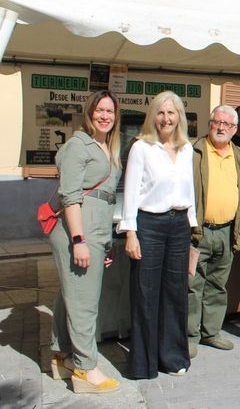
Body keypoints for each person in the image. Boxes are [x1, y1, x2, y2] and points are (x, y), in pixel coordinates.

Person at [49, 90, 122, 394]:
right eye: (99, 110)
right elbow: (70, 196)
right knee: (84, 302)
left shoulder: (105, 146)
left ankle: (62, 356)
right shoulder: (78, 145)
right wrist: (79, 240)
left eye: (110, 111)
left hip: (97, 228)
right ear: (89, 112)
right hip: (79, 227)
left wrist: (103, 242)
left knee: (72, 292)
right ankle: (85, 367)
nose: (105, 115)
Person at [122, 90, 197, 378]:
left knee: (175, 293)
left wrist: (191, 226)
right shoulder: (141, 148)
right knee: (145, 293)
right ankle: (144, 364)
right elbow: (131, 192)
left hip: (179, 226)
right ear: (153, 116)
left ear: (179, 117)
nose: (166, 118)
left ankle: (173, 357)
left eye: (171, 112)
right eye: (161, 113)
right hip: (149, 225)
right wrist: (131, 233)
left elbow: (188, 190)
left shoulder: (187, 149)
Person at [188, 105, 240, 358]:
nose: (221, 127)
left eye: (227, 124)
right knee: (192, 286)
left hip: (227, 231)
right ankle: (189, 335)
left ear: (235, 129)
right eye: (217, 122)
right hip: (198, 231)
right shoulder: (193, 152)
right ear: (210, 123)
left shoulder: (239, 155)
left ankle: (211, 332)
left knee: (217, 285)